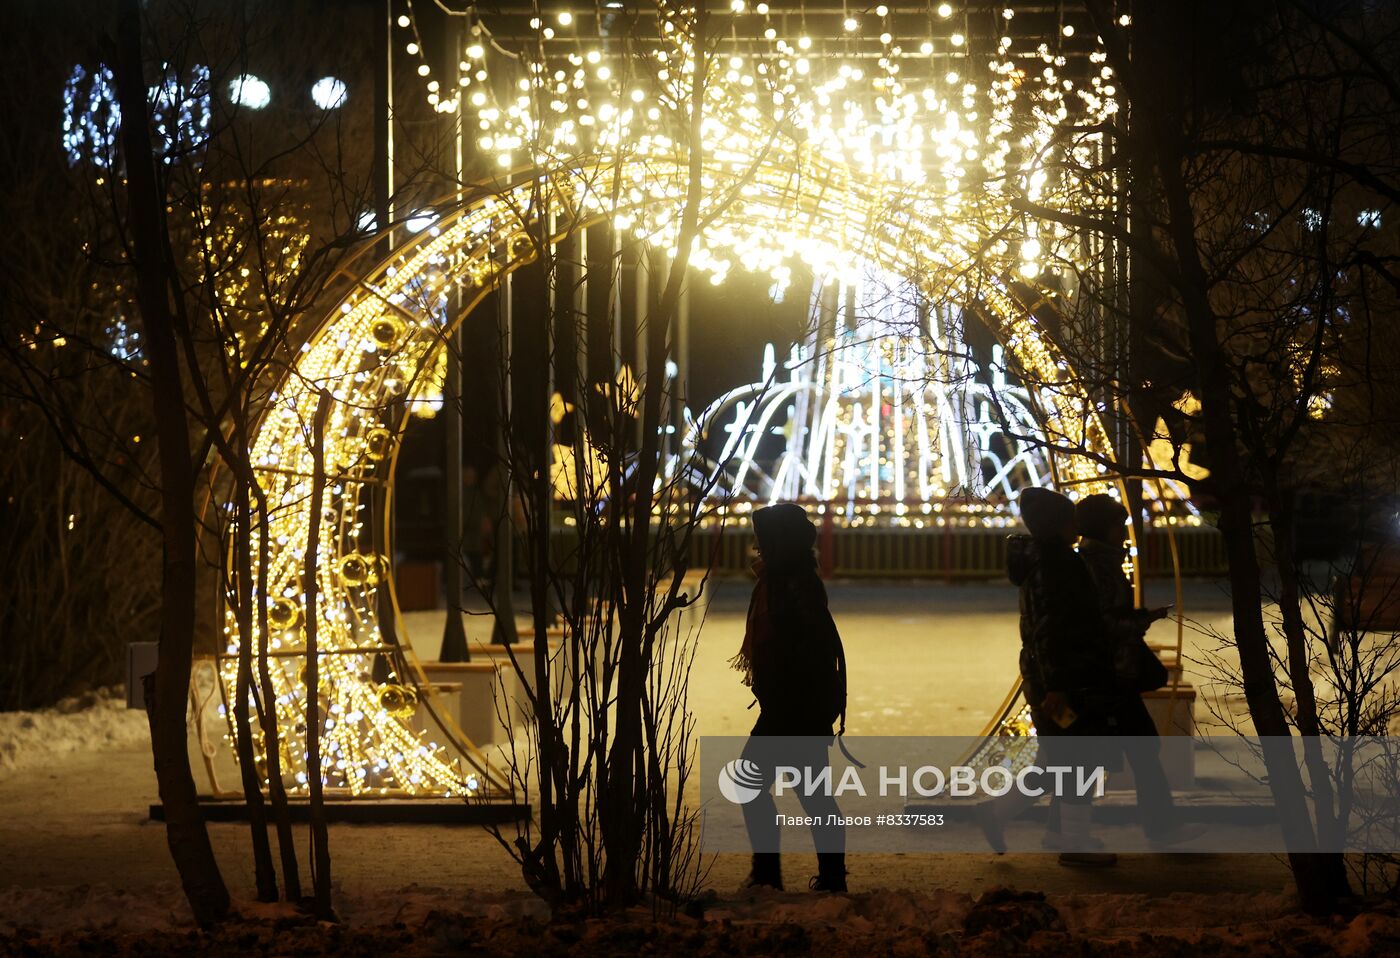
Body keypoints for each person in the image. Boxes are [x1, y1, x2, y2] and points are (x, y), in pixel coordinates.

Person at [978, 487, 1120, 866]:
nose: (1077, 523)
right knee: (1078, 759)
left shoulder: (1045, 561)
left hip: (1056, 678)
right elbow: (1052, 626)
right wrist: (1057, 685)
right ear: (1058, 524)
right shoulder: (1057, 564)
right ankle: (1073, 842)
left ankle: (1010, 817)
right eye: (1070, 518)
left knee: (1057, 759)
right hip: (1065, 682)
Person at [731, 502, 850, 892]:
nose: (757, 546)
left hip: (793, 706)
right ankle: (826, 878)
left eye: (763, 539)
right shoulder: (789, 577)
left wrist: (787, 697)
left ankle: (769, 874)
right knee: (813, 795)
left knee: (755, 784)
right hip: (798, 704)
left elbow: (803, 646)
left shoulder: (789, 582)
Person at [1076, 494, 1205, 849]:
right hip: (1110, 676)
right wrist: (1142, 619)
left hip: (1113, 674)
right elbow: (1104, 623)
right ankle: (1157, 828)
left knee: (1126, 751)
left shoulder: (1097, 561)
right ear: (1104, 527)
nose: (1124, 531)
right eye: (1119, 524)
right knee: (1120, 753)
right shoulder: (1097, 565)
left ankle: (1155, 827)